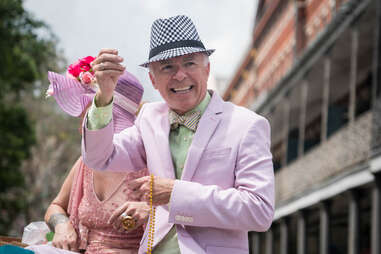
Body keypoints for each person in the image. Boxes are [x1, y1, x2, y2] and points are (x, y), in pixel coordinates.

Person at [82, 15, 275, 254]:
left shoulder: (247, 124)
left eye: (190, 63)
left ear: (207, 69)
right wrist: (104, 98)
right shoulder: (149, 118)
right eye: (167, 67)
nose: (180, 75)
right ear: (153, 79)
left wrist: (175, 193)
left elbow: (259, 211)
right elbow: (100, 158)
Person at [27, 70, 149, 254]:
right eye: (85, 122)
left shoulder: (147, 165)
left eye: (89, 121)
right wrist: (62, 225)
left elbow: (171, 217)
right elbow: (56, 206)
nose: (81, 129)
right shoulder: (85, 163)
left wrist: (150, 211)